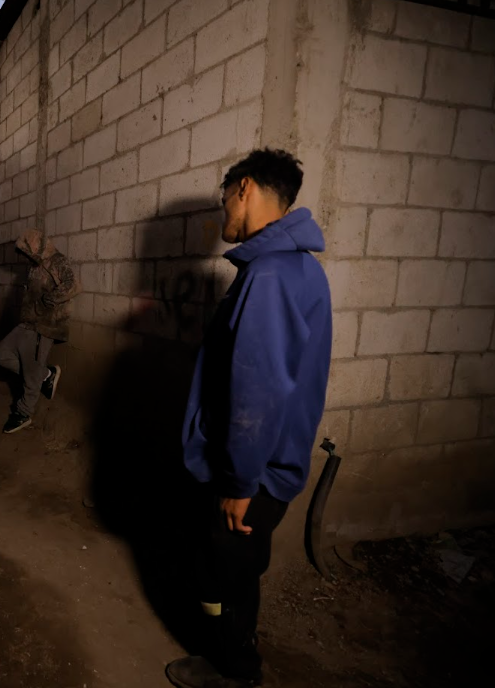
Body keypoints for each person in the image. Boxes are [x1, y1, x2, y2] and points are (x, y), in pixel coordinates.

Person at [164, 149, 332, 688]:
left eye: (225, 201)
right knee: (222, 567)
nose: (224, 214)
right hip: (257, 468)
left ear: (245, 189)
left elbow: (256, 392)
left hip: (251, 475)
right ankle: (221, 655)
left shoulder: (271, 275)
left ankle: (237, 672)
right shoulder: (296, 269)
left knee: (230, 575)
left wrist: (239, 482)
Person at [0, 229, 79, 434]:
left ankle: (24, 412)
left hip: (44, 325)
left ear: (36, 246)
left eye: (26, 250)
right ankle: (46, 374)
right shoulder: (36, 265)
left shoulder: (58, 260)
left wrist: (50, 300)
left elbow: (73, 285)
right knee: (2, 354)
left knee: (31, 373)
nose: (25, 256)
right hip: (27, 322)